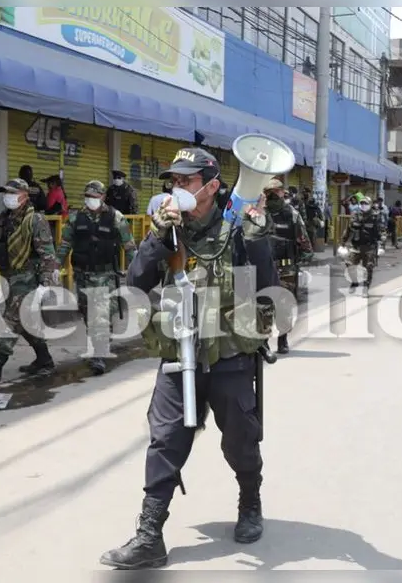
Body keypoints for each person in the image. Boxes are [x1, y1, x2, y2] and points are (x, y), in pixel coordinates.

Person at [100, 147, 276, 570]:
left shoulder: (238, 229)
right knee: (164, 441)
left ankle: (250, 501)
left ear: (212, 187)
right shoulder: (166, 230)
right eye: (173, 181)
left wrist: (257, 240)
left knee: (240, 441)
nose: (176, 188)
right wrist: (157, 238)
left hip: (230, 356)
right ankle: (149, 535)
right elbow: (135, 284)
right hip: (179, 355)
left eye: (186, 181)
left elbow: (268, 289)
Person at [0, 179, 61, 383]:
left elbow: (48, 255)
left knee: (11, 320)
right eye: (6, 193)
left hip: (28, 279)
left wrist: (45, 284)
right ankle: (44, 360)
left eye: (13, 193)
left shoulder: (35, 220)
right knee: (25, 322)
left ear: (25, 196)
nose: (8, 197)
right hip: (8, 277)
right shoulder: (2, 219)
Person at [56, 180, 137, 374]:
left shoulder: (116, 217)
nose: (90, 199)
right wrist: (55, 265)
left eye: (94, 196)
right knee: (87, 312)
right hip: (83, 275)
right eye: (87, 196)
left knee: (98, 315)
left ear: (102, 197)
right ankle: (101, 338)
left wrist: (137, 268)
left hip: (105, 275)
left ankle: (98, 354)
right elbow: (65, 243)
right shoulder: (76, 218)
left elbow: (129, 246)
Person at [264, 177, 311, 354]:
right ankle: (264, 342)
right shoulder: (259, 212)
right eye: (269, 193)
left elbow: (303, 238)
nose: (272, 196)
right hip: (264, 265)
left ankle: (282, 340)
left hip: (286, 267)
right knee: (264, 305)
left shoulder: (292, 214)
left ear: (282, 193)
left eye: (276, 193)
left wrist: (305, 254)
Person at [340, 194, 381, 298]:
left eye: (366, 203)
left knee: (368, 268)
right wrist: (342, 242)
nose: (363, 205)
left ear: (370, 205)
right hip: (356, 246)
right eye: (362, 203)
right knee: (349, 264)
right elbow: (348, 229)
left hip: (369, 247)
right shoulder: (355, 215)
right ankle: (354, 282)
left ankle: (365, 289)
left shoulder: (375, 216)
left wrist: (381, 246)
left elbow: (382, 231)